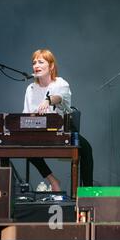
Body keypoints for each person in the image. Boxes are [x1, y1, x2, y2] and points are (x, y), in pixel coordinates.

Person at [23, 49, 93, 192]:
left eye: (41, 62)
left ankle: (87, 192)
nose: (36, 65)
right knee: (24, 145)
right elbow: (26, 115)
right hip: (38, 133)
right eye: (34, 62)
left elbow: (59, 98)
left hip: (63, 131)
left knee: (86, 148)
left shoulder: (60, 83)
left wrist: (48, 100)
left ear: (51, 66)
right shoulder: (30, 88)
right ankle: (53, 180)